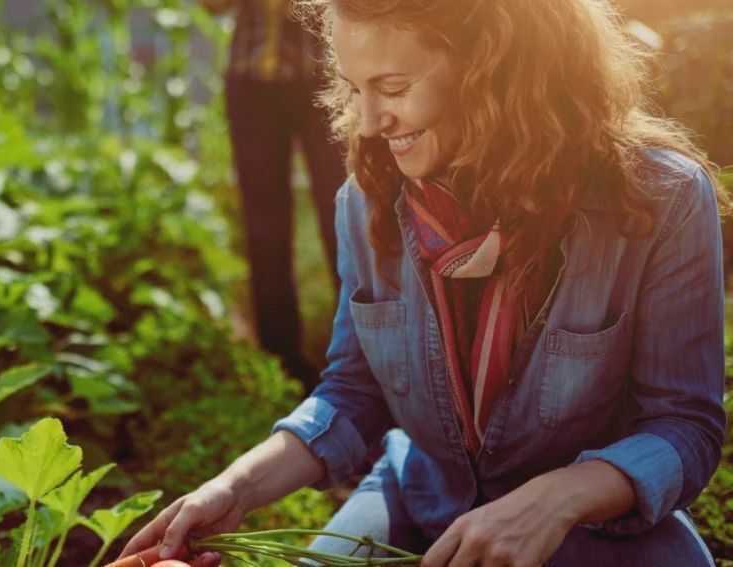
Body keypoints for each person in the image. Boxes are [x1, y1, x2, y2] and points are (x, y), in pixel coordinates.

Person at [121, 0, 728, 565]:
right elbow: (354, 392)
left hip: (593, 528)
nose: (366, 123)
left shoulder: (659, 202)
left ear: (498, 70)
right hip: (420, 503)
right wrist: (236, 487)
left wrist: (557, 498)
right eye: (355, 89)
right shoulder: (367, 201)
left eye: (392, 88)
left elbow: (685, 427)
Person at [203, 0, 349, 390]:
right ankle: (282, 366)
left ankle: (362, 355)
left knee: (343, 217)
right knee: (264, 231)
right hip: (252, 84)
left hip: (325, 74)